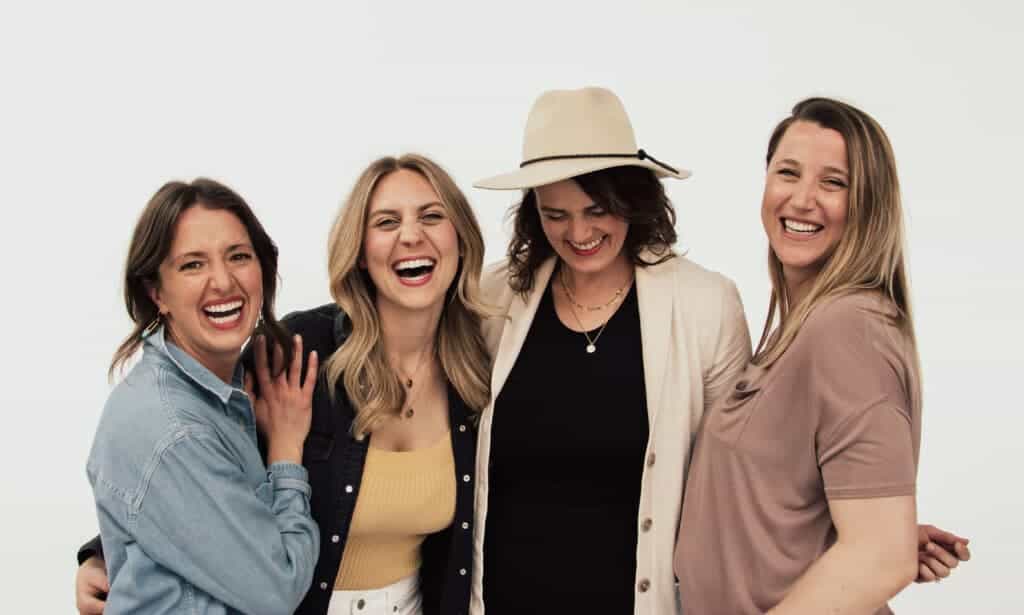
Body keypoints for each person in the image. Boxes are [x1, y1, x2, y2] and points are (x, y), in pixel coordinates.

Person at [469, 87, 970, 615]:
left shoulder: (821, 323)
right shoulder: (495, 299)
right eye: (555, 214)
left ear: (633, 201)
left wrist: (875, 539)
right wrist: (863, 523)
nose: (580, 231)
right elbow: (762, 466)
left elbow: (746, 471)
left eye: (598, 209)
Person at [77, 155, 492, 615]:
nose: (411, 235)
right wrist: (102, 552)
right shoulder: (298, 352)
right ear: (359, 248)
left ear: (463, 239)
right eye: (386, 221)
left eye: (432, 216)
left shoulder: (478, 366)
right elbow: (187, 468)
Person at [672, 97, 947, 614]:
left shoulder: (846, 328)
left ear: (869, 204)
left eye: (833, 183)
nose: (802, 199)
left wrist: (881, 538)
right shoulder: (800, 329)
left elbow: (882, 558)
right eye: (788, 173)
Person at [86, 178, 320, 614]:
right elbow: (278, 588)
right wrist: (287, 451)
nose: (223, 281)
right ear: (157, 292)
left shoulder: (221, 391)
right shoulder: (173, 428)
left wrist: (96, 554)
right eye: (193, 265)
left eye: (239, 257)